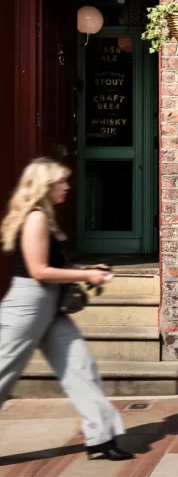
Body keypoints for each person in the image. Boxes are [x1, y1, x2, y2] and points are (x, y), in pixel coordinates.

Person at [0, 157, 133, 461]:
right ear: (46, 185)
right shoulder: (35, 217)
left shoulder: (45, 218)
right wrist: (86, 275)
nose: (67, 187)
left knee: (80, 368)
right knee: (3, 372)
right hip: (27, 306)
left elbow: (55, 267)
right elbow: (39, 270)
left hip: (50, 305)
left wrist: (86, 267)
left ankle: (101, 438)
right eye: (62, 181)